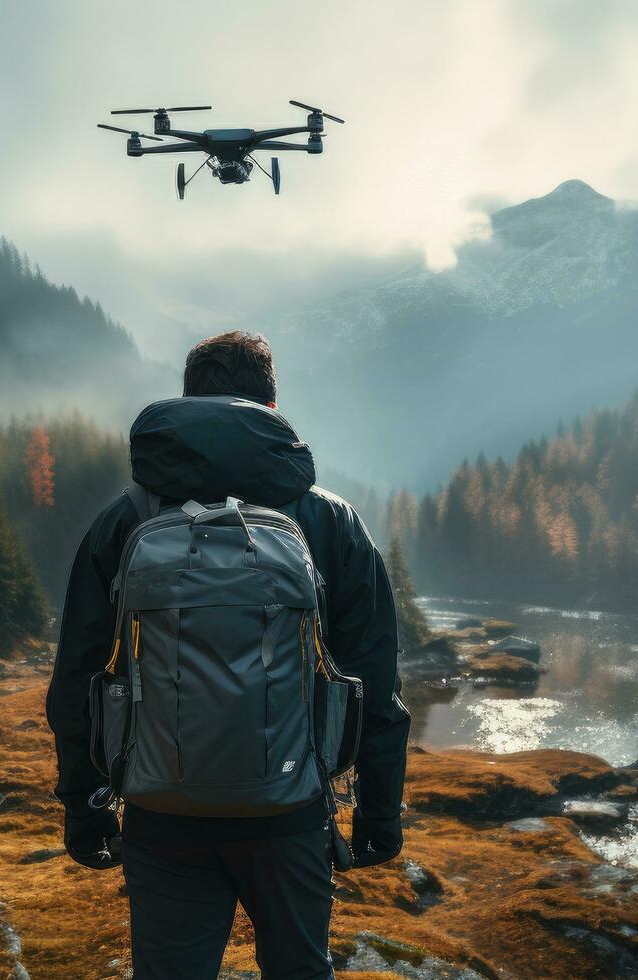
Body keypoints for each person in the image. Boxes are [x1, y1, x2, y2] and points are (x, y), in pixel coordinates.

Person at [46, 331, 411, 979]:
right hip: (291, 808)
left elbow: (79, 677)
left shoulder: (123, 520)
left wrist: (85, 804)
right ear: (270, 408)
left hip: (162, 810)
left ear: (188, 405)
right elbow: (373, 682)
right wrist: (379, 811)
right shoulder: (330, 521)